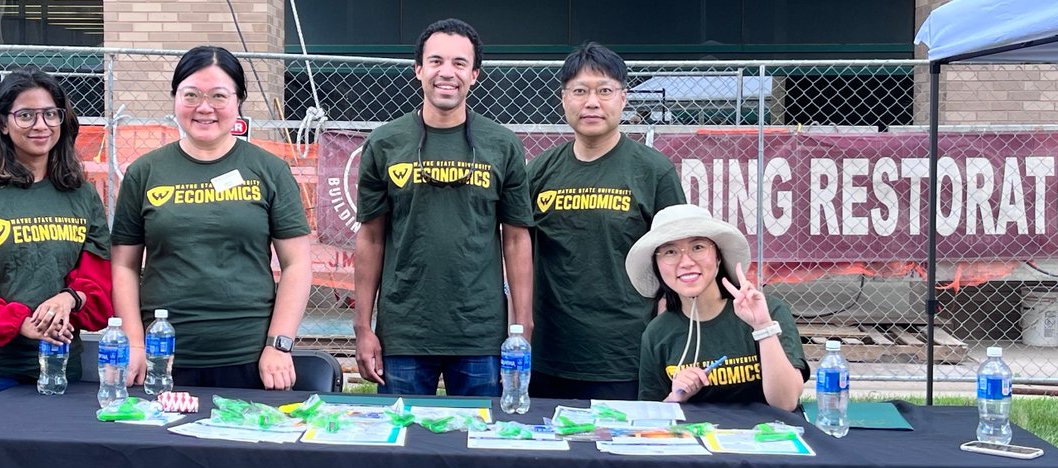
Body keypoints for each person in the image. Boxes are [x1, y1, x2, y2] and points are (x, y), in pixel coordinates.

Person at [111, 46, 312, 390]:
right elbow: (124, 265)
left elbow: (297, 264)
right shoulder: (145, 172)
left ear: (238, 101)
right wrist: (135, 343)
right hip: (162, 357)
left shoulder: (269, 170)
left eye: (218, 95)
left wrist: (278, 345)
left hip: (250, 356)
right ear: (175, 99)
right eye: (191, 95)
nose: (204, 108)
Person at [353, 18, 533, 397]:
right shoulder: (385, 143)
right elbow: (371, 238)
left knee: (479, 445)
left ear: (475, 75)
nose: (446, 73)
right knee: (400, 447)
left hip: (480, 334)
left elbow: (516, 239)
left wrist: (523, 323)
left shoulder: (502, 144)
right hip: (404, 332)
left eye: (459, 63)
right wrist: (363, 326)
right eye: (435, 61)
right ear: (419, 69)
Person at [0, 66, 112, 412]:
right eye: (26, 115)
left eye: (51, 114)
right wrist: (20, 323)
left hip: (61, 367)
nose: (41, 125)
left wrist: (71, 298)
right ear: (3, 123)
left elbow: (100, 285)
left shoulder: (81, 194)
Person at [529, 42, 685, 401]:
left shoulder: (652, 170)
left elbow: (676, 261)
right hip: (549, 355)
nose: (592, 102)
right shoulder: (538, 171)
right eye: (580, 91)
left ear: (623, 98)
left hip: (624, 357)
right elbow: (516, 252)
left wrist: (665, 342)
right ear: (564, 98)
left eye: (604, 91)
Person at [626, 204, 808, 409]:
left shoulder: (768, 311)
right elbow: (652, 415)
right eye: (670, 251)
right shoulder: (657, 333)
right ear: (657, 267)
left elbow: (786, 403)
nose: (686, 261)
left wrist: (763, 327)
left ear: (718, 257)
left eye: (698, 247)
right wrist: (674, 398)